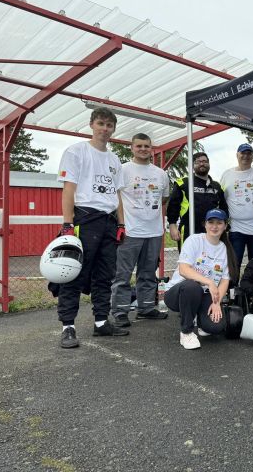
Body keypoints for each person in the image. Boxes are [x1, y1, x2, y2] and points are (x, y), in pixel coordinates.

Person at [56, 107, 128, 348]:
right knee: (73, 273)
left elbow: (117, 195)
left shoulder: (114, 159)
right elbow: (68, 189)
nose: (105, 129)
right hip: (84, 219)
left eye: (109, 125)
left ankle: (101, 322)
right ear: (91, 124)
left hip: (109, 221)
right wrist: (68, 224)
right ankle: (68, 327)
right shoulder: (76, 151)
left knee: (105, 275)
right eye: (101, 123)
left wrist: (121, 223)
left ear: (113, 129)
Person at [110, 133, 170, 327]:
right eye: (139, 146)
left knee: (148, 273)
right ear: (132, 148)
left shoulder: (161, 174)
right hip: (130, 231)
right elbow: (116, 197)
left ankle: (146, 308)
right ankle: (120, 311)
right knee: (123, 275)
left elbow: (164, 198)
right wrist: (121, 223)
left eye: (146, 146)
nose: (143, 149)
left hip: (154, 232)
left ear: (151, 148)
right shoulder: (123, 170)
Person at [163, 209, 238, 349]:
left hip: (204, 293)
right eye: (211, 222)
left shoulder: (224, 248)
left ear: (225, 226)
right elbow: (184, 270)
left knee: (215, 327)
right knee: (192, 286)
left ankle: (202, 322)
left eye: (219, 223)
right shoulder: (194, 240)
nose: (214, 226)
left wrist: (217, 303)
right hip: (179, 293)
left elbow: (224, 281)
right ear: (205, 224)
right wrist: (209, 282)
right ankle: (186, 332)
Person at [220, 143, 253, 276]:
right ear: (237, 155)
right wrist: (222, 223)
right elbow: (221, 200)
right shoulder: (227, 174)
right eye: (243, 153)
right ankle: (232, 287)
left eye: (249, 153)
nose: (246, 156)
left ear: (252, 156)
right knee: (234, 262)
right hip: (236, 228)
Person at [166, 152, 227, 251]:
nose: (202, 164)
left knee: (211, 257)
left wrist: (224, 226)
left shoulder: (216, 186)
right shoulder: (183, 183)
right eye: (198, 162)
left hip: (212, 230)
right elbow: (173, 206)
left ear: (209, 164)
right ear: (192, 165)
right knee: (188, 258)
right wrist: (172, 226)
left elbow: (223, 208)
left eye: (205, 161)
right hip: (189, 229)